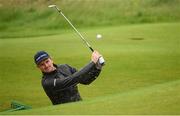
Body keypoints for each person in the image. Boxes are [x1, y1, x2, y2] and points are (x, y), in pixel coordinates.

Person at [34, 50, 104, 105]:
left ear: (51, 60)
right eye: (42, 64)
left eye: (47, 61)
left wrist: (98, 68)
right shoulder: (47, 82)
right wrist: (92, 62)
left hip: (80, 106)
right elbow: (72, 79)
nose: (46, 65)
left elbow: (86, 80)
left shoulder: (64, 67)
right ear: (38, 67)